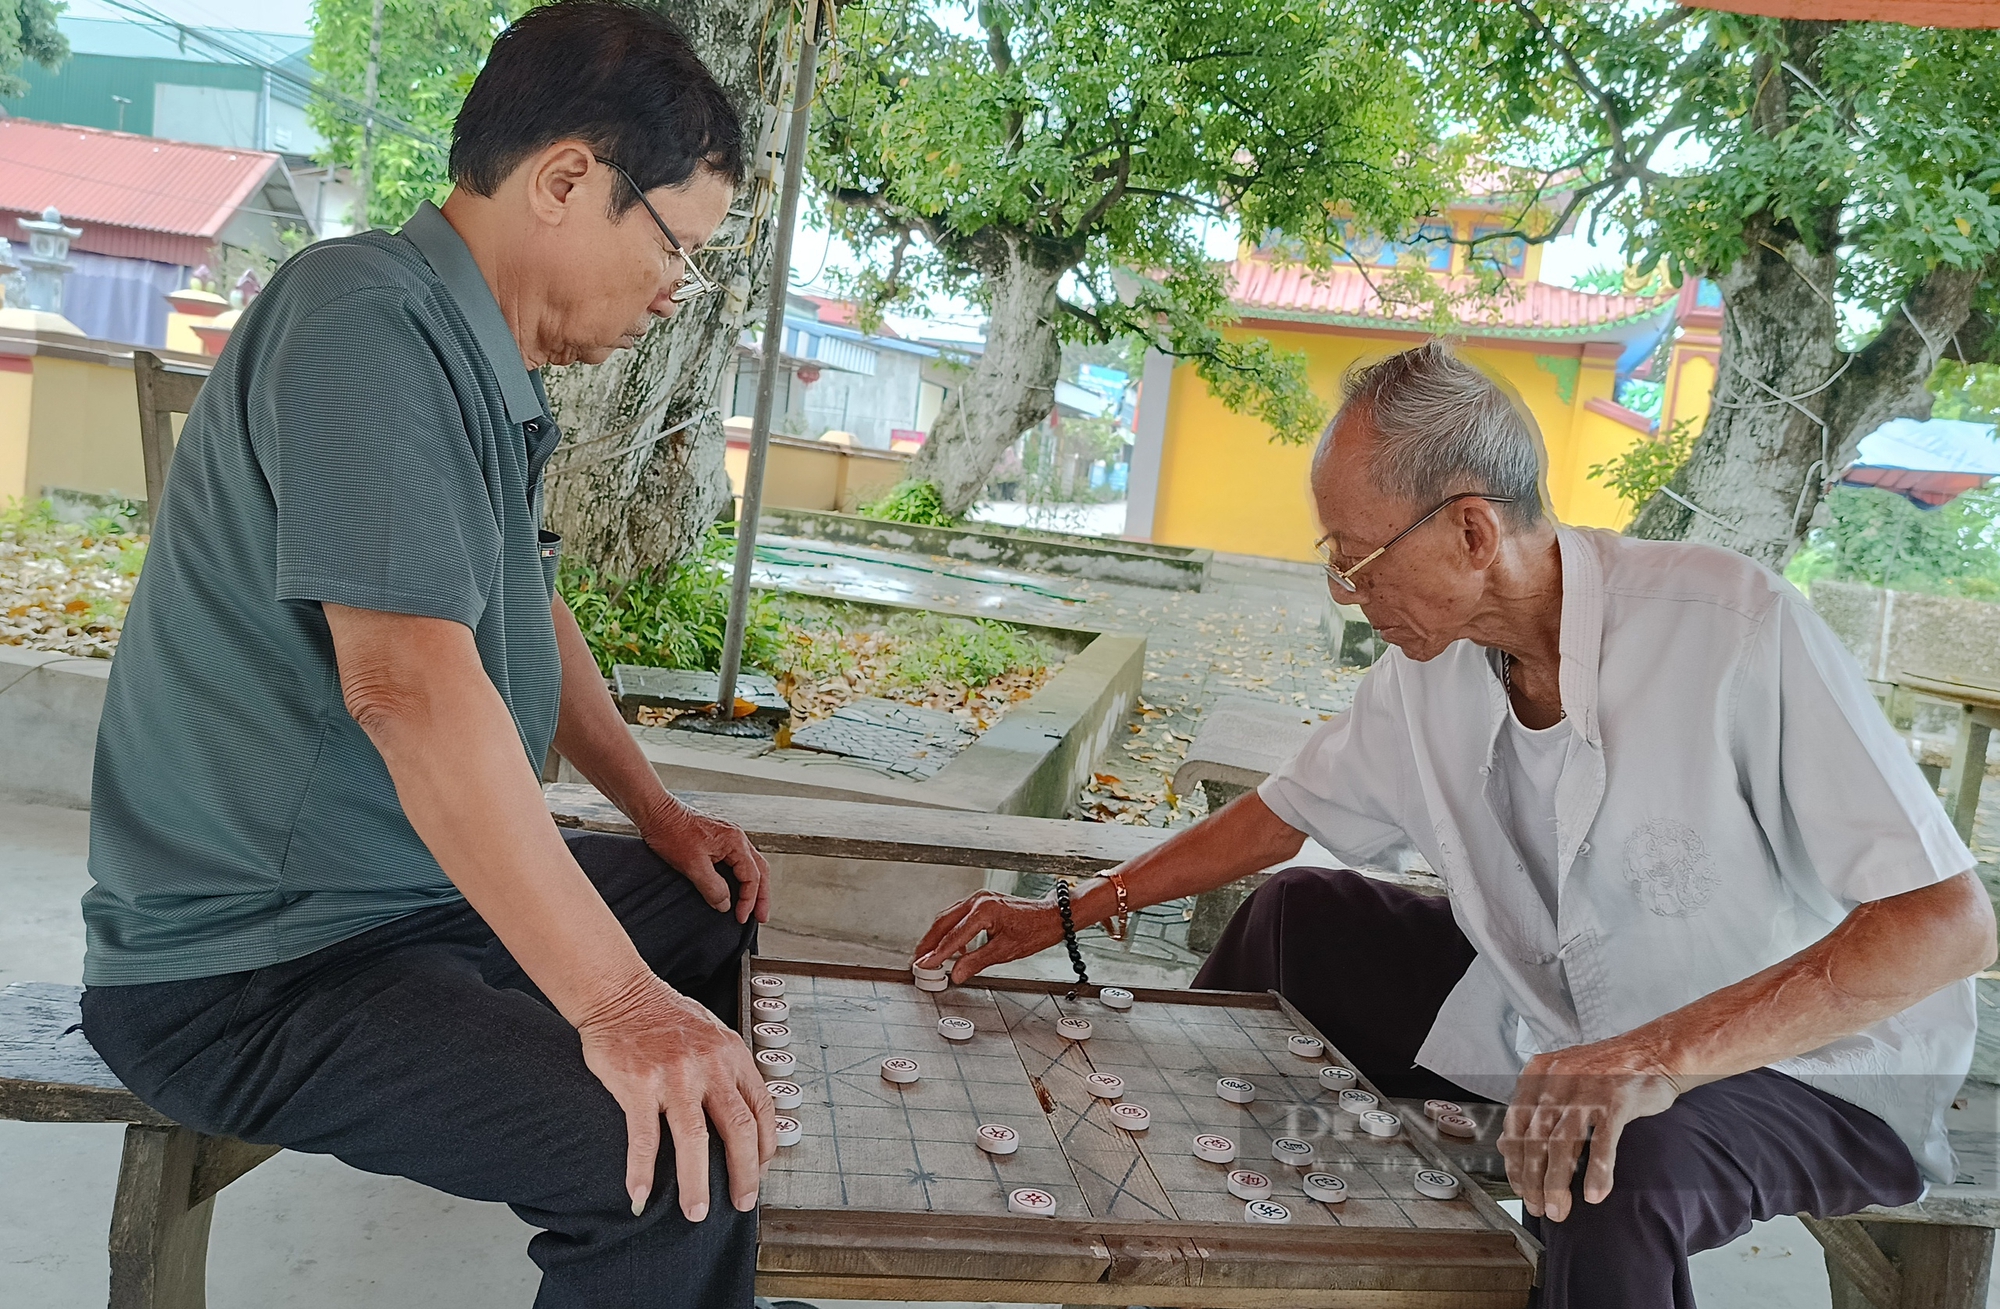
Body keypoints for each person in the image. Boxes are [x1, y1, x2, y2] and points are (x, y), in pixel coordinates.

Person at [915, 341, 1995, 1307]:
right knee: (1294, 918)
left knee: (1600, 1163)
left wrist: (1653, 1058)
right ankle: (1177, 1243)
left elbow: (1947, 924)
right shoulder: (1426, 673)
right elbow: (1280, 816)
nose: (1342, 590)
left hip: (1812, 1065)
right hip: (1565, 1022)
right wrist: (1063, 911)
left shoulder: (1730, 628)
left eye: (1353, 554)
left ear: (1471, 528)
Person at [76, 4, 774, 1304]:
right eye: (677, 243)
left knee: (717, 913)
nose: (678, 290)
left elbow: (527, 615)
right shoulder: (361, 318)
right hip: (258, 967)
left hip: (406, 902)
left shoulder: (474, 364)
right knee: (671, 1168)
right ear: (568, 180)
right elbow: (405, 684)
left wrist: (660, 813)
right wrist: (617, 1010)